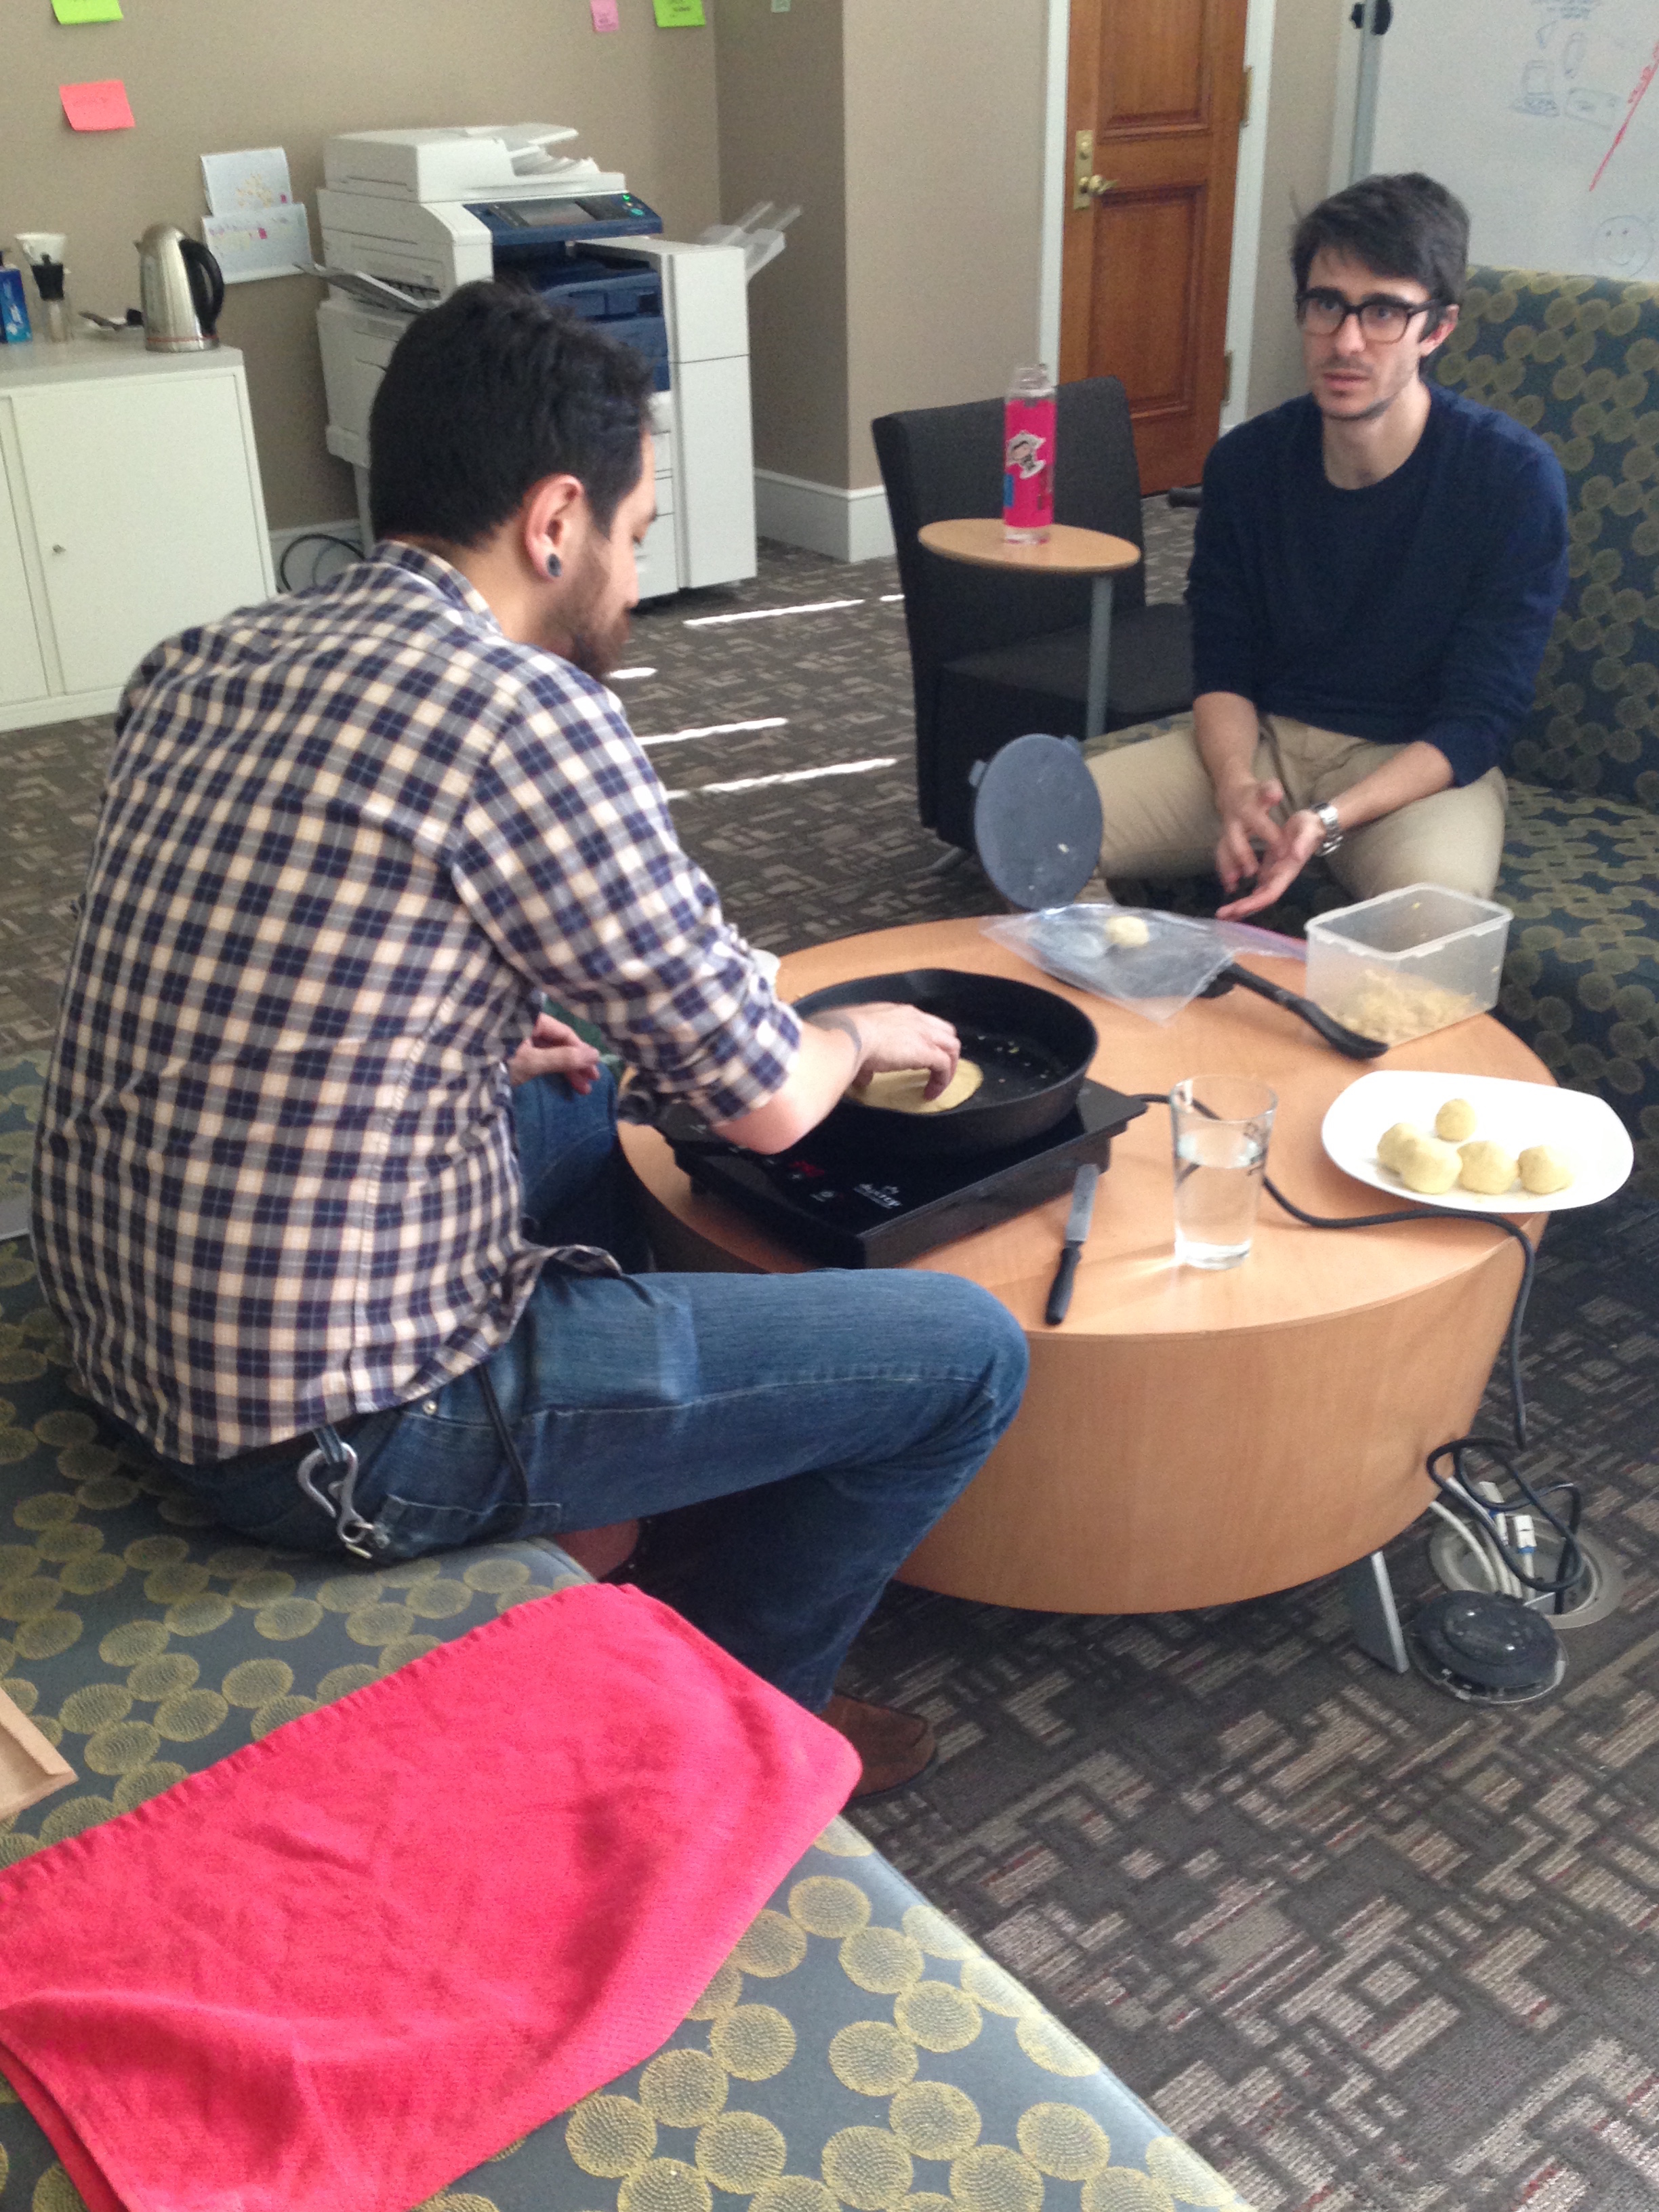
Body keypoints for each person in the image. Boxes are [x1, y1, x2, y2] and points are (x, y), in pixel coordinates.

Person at [30, 282, 1029, 1799]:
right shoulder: (524, 712)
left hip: (129, 1326)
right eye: (635, 535)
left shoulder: (200, 659)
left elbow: (263, 956)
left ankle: (635, 1480)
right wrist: (851, 1028)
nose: (630, 572)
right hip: (340, 1436)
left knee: (597, 1085)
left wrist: (464, 1034)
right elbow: (764, 1102)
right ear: (556, 519)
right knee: (968, 1354)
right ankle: (730, 1728)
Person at [1084, 172, 1570, 921]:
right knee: (1039, 821)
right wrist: (1234, 785)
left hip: (1412, 771)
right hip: (1268, 745)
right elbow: (1224, 658)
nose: (1346, 342)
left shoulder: (1510, 479)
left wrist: (1334, 818)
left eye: (1383, 312)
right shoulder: (1247, 463)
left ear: (1436, 328)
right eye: (1326, 306)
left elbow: (1481, 718)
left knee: (1435, 921)